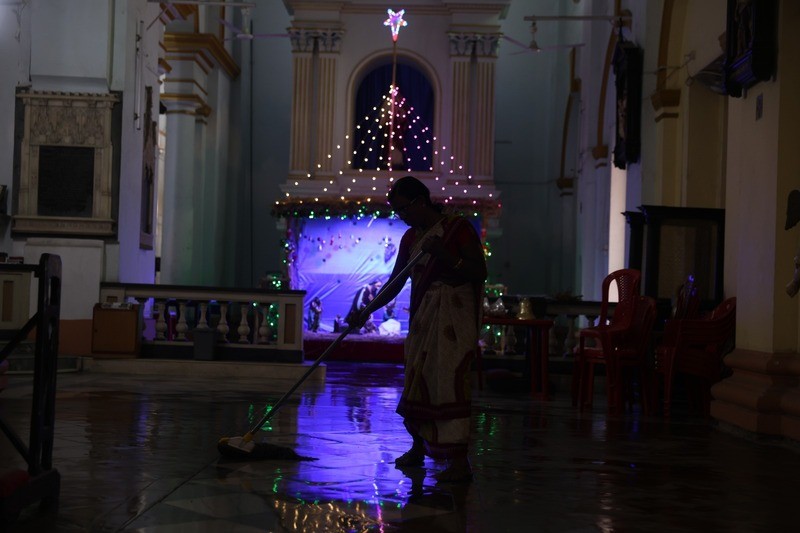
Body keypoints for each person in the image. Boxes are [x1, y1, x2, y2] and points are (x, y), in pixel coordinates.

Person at [350, 175, 487, 483]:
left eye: (403, 209)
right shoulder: (411, 238)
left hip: (453, 322)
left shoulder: (458, 229)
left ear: (420, 202)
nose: (401, 217)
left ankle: (458, 460)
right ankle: (417, 447)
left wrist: (446, 257)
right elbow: (396, 281)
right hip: (423, 320)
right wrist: (365, 311)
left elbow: (479, 271)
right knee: (418, 379)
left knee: (448, 383)